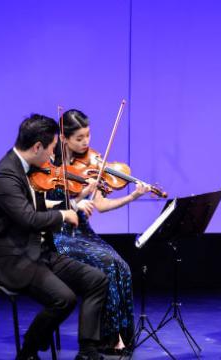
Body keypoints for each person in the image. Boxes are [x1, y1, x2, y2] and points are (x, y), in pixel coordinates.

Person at [0, 114, 108, 360]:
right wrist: (64, 214)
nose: (52, 156)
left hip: (36, 251)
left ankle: (87, 352)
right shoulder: (5, 176)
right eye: (50, 149)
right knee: (64, 299)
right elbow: (28, 218)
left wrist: (73, 202)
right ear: (37, 146)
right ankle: (28, 351)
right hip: (8, 257)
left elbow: (37, 203)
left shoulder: (24, 169)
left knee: (97, 280)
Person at [46, 109, 149, 354]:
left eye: (88, 136)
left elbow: (101, 205)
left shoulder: (91, 164)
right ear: (64, 138)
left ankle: (122, 334)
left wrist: (133, 196)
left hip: (83, 232)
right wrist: (79, 197)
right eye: (79, 138)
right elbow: (45, 204)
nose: (86, 143)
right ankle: (108, 338)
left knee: (120, 264)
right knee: (106, 265)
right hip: (60, 235)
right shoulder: (48, 166)